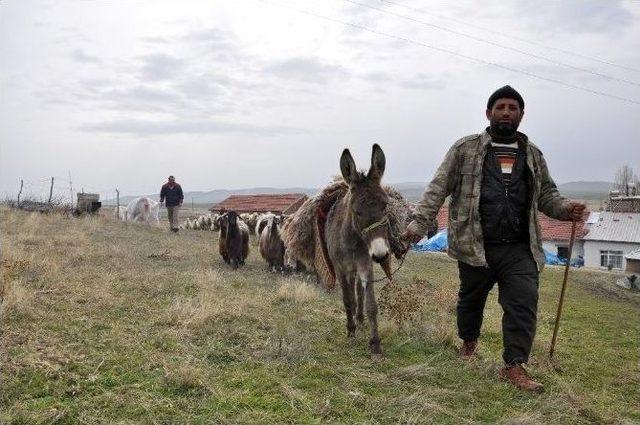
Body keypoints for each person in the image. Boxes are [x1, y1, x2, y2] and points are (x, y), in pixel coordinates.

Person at [403, 85, 585, 392]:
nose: (506, 112)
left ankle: (515, 366)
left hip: (518, 247)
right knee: (471, 300)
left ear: (521, 115)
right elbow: (437, 189)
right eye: (500, 106)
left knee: (523, 302)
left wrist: (567, 209)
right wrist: (417, 226)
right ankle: (469, 344)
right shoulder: (465, 149)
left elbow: (547, 196)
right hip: (475, 244)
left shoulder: (533, 155)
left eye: (513, 107)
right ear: (488, 113)